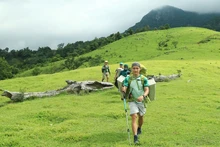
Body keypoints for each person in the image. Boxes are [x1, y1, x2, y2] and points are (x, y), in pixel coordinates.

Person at [122, 62, 149, 145]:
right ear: (131, 69)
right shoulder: (128, 78)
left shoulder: (144, 79)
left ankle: (139, 127)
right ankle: (135, 137)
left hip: (141, 100)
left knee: (141, 116)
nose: (135, 70)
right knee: (134, 116)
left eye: (137, 68)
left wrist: (143, 96)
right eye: (134, 68)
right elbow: (125, 86)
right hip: (132, 100)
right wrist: (124, 89)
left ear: (139, 69)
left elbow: (147, 89)